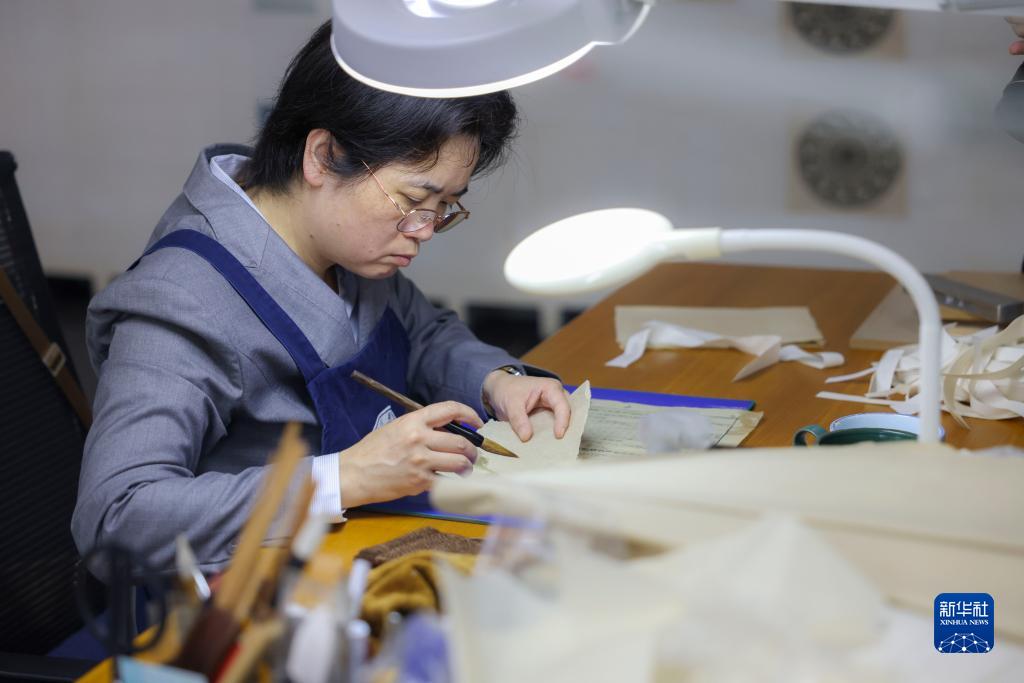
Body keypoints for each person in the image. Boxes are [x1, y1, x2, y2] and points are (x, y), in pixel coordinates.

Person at [71, 20, 571, 572]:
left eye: (446, 206)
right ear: (323, 156)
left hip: (363, 547)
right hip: (255, 592)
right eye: (413, 201)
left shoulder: (345, 245)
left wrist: (498, 381)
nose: (426, 230)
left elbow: (421, 332)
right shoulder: (180, 298)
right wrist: (341, 479)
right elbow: (114, 516)